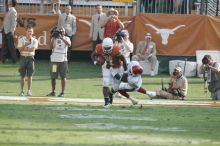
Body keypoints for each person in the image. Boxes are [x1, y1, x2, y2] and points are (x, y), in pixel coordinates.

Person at [92, 37, 130, 108]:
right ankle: (106, 102)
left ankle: (110, 94)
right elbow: (93, 55)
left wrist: (125, 70)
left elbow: (123, 59)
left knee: (116, 87)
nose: (106, 50)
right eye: (105, 48)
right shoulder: (99, 47)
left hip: (117, 67)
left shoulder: (116, 49)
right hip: (107, 66)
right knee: (105, 83)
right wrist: (95, 62)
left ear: (112, 46)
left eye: (108, 48)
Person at [47, 27, 71, 97]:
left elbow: (69, 44)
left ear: (64, 32)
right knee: (53, 77)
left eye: (62, 32)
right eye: (59, 32)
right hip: (54, 61)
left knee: (63, 77)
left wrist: (62, 38)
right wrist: (52, 37)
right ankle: (53, 91)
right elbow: (51, 47)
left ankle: (62, 92)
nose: (60, 33)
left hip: (63, 60)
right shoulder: (54, 38)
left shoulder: (66, 38)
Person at [17, 26, 38, 96]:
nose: (29, 32)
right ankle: (22, 91)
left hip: (30, 58)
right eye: (28, 31)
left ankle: (29, 90)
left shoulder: (35, 40)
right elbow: (19, 50)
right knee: (22, 75)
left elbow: (32, 50)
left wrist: (24, 48)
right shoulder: (21, 39)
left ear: (33, 32)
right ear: (26, 32)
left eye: (31, 31)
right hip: (23, 57)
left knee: (30, 75)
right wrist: (25, 45)